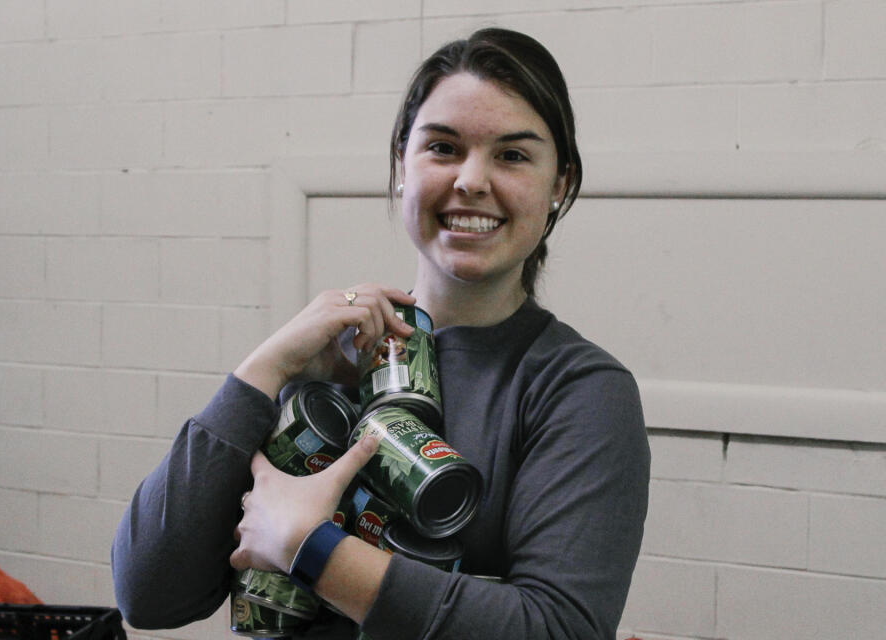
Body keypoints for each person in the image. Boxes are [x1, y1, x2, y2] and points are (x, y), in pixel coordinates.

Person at [112, 28, 649, 639]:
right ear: (401, 165)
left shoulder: (580, 391)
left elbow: (557, 631)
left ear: (559, 186)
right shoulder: (324, 360)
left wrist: (311, 550)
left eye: (513, 155)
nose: (473, 180)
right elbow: (148, 593)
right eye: (443, 148)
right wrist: (263, 371)